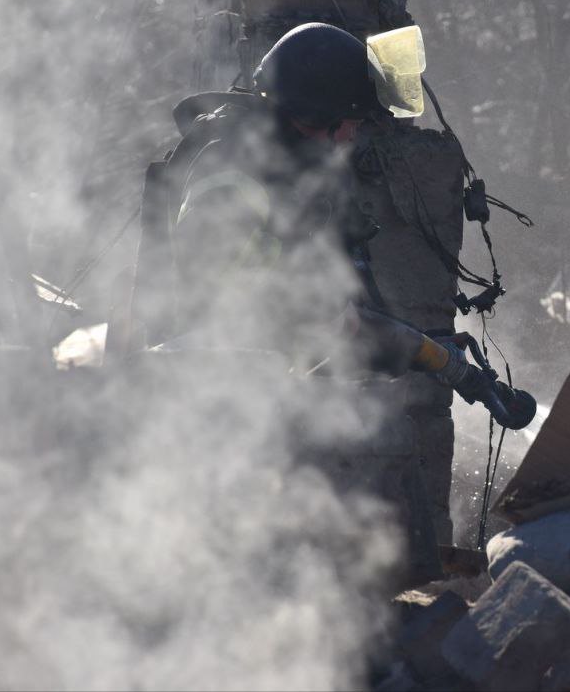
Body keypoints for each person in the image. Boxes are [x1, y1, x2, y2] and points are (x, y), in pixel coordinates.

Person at [162, 22, 531, 426]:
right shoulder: (233, 174)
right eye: (350, 122)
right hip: (209, 404)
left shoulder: (284, 178)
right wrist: (424, 352)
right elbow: (259, 310)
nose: (351, 137)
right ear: (315, 113)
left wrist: (426, 349)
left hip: (252, 395)